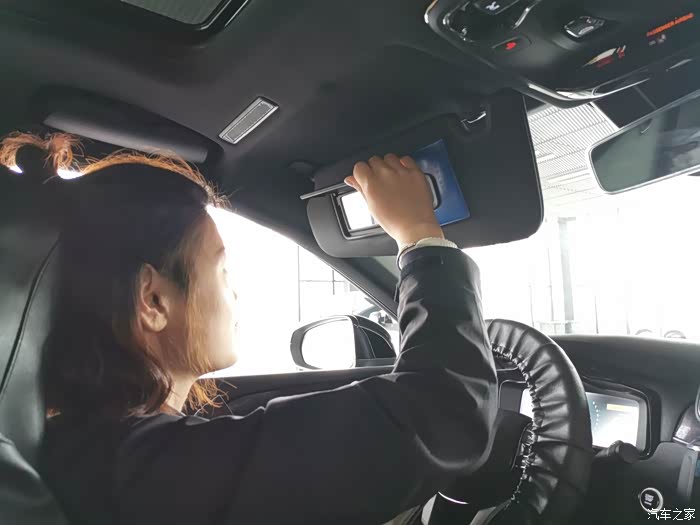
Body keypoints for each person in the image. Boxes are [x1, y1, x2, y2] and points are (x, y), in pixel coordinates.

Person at [1, 132, 498, 525]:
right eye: (221, 271)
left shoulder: (88, 452)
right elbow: (445, 411)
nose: (233, 294)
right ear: (153, 300)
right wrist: (419, 235)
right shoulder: (149, 474)